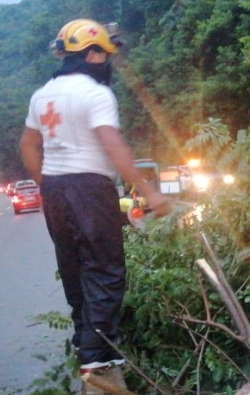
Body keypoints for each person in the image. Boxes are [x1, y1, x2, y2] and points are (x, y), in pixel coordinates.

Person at [20, 19, 172, 374]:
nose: (107, 61)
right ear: (90, 54)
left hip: (55, 189)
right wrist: (149, 191)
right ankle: (98, 351)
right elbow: (113, 145)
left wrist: (46, 182)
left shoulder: (42, 95)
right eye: (103, 53)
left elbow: (28, 144)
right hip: (90, 186)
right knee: (104, 268)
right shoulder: (96, 94)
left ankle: (83, 338)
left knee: (72, 265)